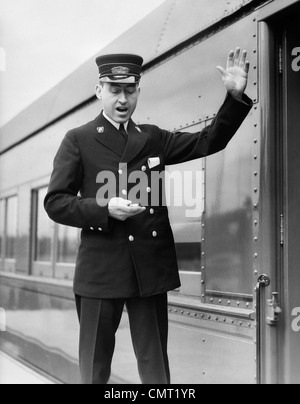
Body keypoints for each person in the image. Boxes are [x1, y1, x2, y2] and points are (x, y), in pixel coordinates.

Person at [44, 49, 253, 384]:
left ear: (139, 91)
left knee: (156, 370)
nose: (122, 99)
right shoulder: (79, 140)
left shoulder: (153, 137)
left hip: (149, 272)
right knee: (94, 371)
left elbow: (208, 141)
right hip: (100, 273)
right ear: (99, 91)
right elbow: (55, 202)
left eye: (130, 90)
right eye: (114, 90)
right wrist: (104, 209)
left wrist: (234, 97)